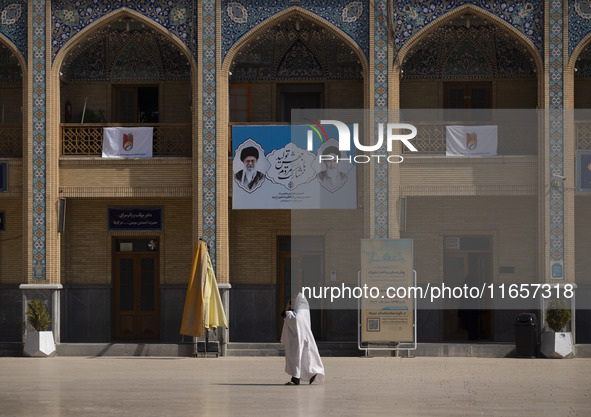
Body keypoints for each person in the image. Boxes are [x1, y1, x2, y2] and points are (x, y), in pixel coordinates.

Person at [281, 293, 325, 385]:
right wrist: (288, 308)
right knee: (304, 358)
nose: (292, 300)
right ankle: (311, 374)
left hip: (299, 338)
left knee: (298, 357)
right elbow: (284, 315)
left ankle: (296, 379)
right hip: (298, 337)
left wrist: (288, 311)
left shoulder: (301, 308)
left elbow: (296, 320)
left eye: (294, 298)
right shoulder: (298, 308)